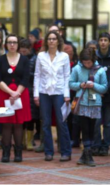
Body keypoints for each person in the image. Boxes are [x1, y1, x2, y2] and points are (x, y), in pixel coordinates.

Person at [34, 30, 72, 162]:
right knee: (46, 123)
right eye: (49, 39)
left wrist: (67, 94)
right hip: (44, 92)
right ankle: (48, 152)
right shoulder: (40, 56)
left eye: (54, 39)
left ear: (58, 41)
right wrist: (35, 94)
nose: (51, 41)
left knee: (62, 123)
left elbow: (67, 76)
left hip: (60, 92)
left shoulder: (64, 56)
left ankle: (66, 152)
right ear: (46, 41)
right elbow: (37, 75)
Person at [0, 34, 31, 162]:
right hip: (4, 94)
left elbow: (26, 78)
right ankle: (5, 153)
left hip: (21, 95)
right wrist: (11, 92)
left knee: (18, 124)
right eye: (9, 42)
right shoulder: (0, 60)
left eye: (14, 42)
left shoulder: (25, 60)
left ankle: (18, 152)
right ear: (6, 44)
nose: (12, 45)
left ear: (18, 44)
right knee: (6, 124)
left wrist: (17, 93)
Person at [69, 48, 108, 167]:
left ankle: (86, 153)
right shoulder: (76, 68)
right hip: (82, 102)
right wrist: (81, 85)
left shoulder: (100, 70)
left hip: (95, 103)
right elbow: (70, 84)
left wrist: (94, 85)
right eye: (85, 63)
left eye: (89, 63)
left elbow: (105, 87)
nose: (87, 65)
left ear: (93, 60)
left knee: (93, 128)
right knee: (84, 127)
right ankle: (88, 153)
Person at [92, 32, 110, 156]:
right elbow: (89, 75)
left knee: (108, 123)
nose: (103, 42)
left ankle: (105, 146)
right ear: (98, 42)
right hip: (95, 94)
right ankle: (96, 145)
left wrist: (106, 90)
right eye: (101, 40)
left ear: (109, 42)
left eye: (105, 40)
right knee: (96, 122)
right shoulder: (93, 57)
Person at [19, 38, 40, 151]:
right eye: (21, 51)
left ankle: (29, 141)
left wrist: (26, 74)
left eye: (25, 51)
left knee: (31, 117)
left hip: (32, 89)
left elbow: (37, 74)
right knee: (21, 116)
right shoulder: (18, 59)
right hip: (20, 90)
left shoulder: (35, 59)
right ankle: (21, 141)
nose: (23, 53)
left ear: (29, 49)